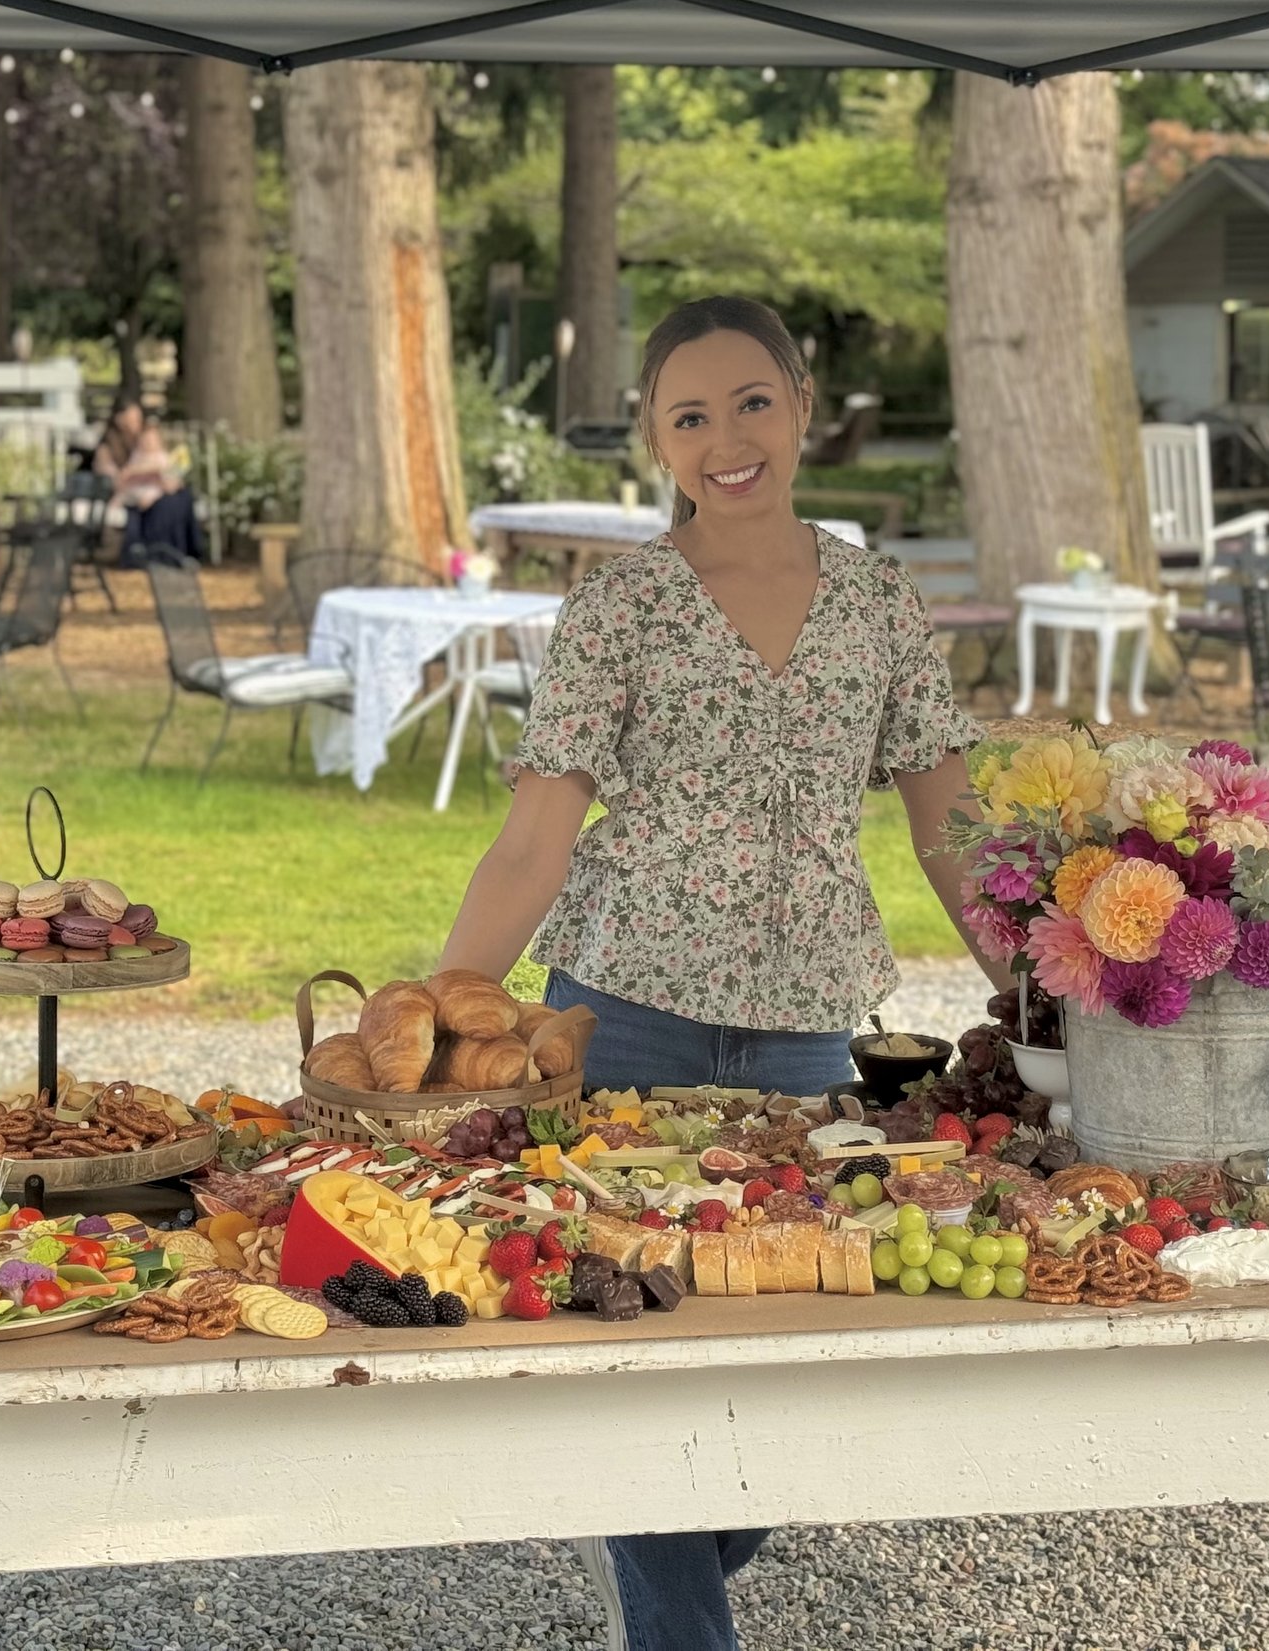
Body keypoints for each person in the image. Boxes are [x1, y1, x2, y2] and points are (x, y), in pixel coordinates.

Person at [439, 295, 1002, 1651]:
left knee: (788, 1391)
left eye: (753, 401)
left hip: (810, 1040)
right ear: (655, 440)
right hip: (621, 1018)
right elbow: (535, 834)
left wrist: (1043, 992)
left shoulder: (878, 599)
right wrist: (437, 1009)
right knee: (634, 1362)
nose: (726, 438)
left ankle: (679, 1541)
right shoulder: (620, 606)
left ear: (805, 405)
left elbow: (951, 826)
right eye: (689, 415)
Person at [92, 398, 204, 565]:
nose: (136, 424)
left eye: (138, 419)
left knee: (182, 497)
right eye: (132, 419)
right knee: (168, 504)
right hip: (131, 495)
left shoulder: (145, 440)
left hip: (155, 491)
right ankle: (160, 553)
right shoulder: (108, 448)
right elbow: (115, 481)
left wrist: (165, 483)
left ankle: (180, 550)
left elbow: (166, 468)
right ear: (119, 419)